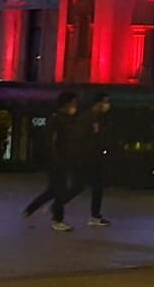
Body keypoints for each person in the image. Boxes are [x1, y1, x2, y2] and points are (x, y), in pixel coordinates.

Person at [23, 91, 84, 231]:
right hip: (56, 162)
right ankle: (57, 220)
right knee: (60, 190)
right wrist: (55, 159)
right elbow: (50, 142)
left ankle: (30, 209)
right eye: (73, 103)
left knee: (53, 190)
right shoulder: (56, 119)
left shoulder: (68, 120)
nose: (75, 106)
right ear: (66, 104)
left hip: (63, 160)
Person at [83, 92, 112, 227]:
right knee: (77, 186)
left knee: (97, 186)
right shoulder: (89, 118)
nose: (107, 105)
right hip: (89, 158)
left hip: (96, 158)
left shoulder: (99, 118)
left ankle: (95, 215)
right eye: (105, 101)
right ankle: (56, 209)